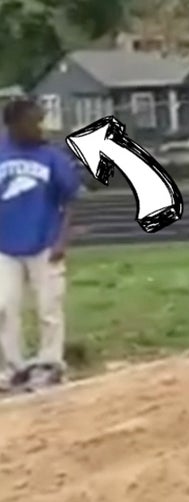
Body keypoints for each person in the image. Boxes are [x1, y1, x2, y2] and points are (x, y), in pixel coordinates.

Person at [0, 99, 80, 391]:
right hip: (4, 245)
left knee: (49, 307)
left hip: (44, 242)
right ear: (15, 125)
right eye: (35, 122)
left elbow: (69, 200)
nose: (41, 128)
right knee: (4, 307)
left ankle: (50, 363)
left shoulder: (52, 156)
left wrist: (62, 239)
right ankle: (13, 367)